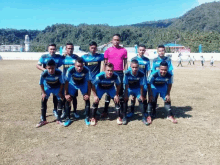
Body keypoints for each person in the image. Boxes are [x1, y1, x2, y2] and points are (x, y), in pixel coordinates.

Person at [103, 34, 128, 118]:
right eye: (114, 39)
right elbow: (105, 62)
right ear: (112, 40)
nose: (116, 41)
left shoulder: (124, 50)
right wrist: (104, 73)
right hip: (110, 72)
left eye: (117, 40)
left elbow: (125, 62)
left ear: (119, 41)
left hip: (120, 72)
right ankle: (105, 110)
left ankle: (120, 109)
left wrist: (125, 71)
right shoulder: (108, 50)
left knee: (119, 91)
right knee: (108, 90)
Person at [36, 43, 63, 118]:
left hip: (56, 80)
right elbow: (37, 65)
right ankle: (43, 114)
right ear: (48, 49)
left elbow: (64, 60)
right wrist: (45, 70)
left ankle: (55, 110)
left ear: (56, 50)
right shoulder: (44, 57)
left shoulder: (58, 57)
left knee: (56, 96)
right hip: (46, 80)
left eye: (54, 49)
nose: (52, 50)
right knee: (44, 96)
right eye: (51, 49)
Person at [36, 59, 64, 128]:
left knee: (60, 100)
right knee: (43, 100)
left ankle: (59, 119)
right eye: (49, 68)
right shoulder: (44, 73)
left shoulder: (59, 72)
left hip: (57, 87)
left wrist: (60, 92)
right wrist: (43, 93)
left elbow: (62, 83)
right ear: (46, 68)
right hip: (47, 87)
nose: (51, 70)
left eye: (52, 68)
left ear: (55, 67)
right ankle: (43, 120)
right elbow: (41, 84)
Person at [123, 59, 152, 125]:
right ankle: (124, 117)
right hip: (129, 89)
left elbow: (141, 85)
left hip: (137, 89)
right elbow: (126, 85)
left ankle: (143, 117)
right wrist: (126, 95)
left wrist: (141, 95)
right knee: (124, 99)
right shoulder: (127, 73)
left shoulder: (141, 74)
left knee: (141, 100)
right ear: (130, 67)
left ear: (138, 67)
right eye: (133, 67)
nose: (135, 69)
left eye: (136, 67)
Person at [64, 57, 92, 126]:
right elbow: (66, 82)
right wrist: (66, 94)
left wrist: (88, 94)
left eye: (81, 66)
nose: (79, 68)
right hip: (73, 84)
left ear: (83, 65)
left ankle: (87, 117)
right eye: (78, 66)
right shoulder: (70, 70)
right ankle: (68, 118)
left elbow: (89, 82)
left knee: (86, 98)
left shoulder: (86, 70)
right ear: (74, 65)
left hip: (83, 84)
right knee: (68, 99)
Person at [127, 44, 150, 118]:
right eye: (140, 50)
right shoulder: (134, 59)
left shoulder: (147, 60)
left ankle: (145, 112)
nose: (142, 51)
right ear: (138, 50)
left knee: (143, 96)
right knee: (133, 97)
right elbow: (130, 70)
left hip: (143, 81)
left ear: (145, 51)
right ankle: (132, 111)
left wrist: (147, 80)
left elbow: (147, 71)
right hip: (134, 81)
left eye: (143, 50)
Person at [151, 45, 174, 117]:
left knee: (166, 96)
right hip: (156, 81)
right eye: (159, 51)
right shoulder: (155, 60)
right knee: (154, 97)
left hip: (164, 81)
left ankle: (169, 114)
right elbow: (153, 70)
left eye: (162, 51)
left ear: (165, 51)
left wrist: (166, 78)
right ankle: (153, 111)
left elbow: (170, 70)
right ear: (157, 51)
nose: (161, 52)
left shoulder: (168, 60)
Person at [62, 43, 79, 119]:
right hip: (64, 81)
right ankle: (64, 111)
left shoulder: (76, 58)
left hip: (74, 81)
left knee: (74, 97)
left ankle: (75, 111)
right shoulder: (63, 58)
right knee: (64, 96)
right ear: (66, 49)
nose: (70, 50)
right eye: (68, 48)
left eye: (71, 48)